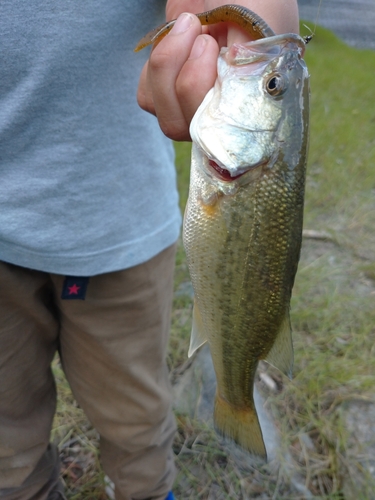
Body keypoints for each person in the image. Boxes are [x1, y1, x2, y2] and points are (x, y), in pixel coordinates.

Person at [0, 1, 299, 499]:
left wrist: (254, 19)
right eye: (273, 86)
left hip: (122, 237)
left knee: (135, 417)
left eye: (271, 90)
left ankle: (154, 484)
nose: (270, 80)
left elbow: (254, 13)